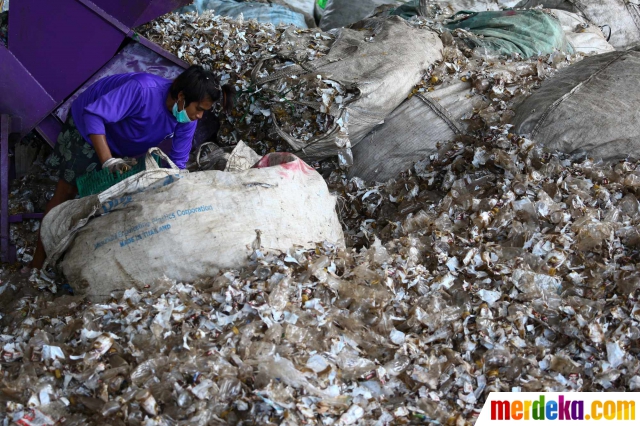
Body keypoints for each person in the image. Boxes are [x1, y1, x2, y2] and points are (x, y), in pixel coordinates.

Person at [30, 65, 235, 269]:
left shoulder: (186, 118)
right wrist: (108, 161)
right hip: (88, 128)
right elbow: (94, 116)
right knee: (67, 191)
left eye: (203, 111)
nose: (200, 116)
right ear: (181, 96)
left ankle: (66, 259)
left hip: (119, 140)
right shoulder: (142, 90)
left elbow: (178, 163)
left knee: (97, 201)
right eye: (199, 109)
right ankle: (36, 265)